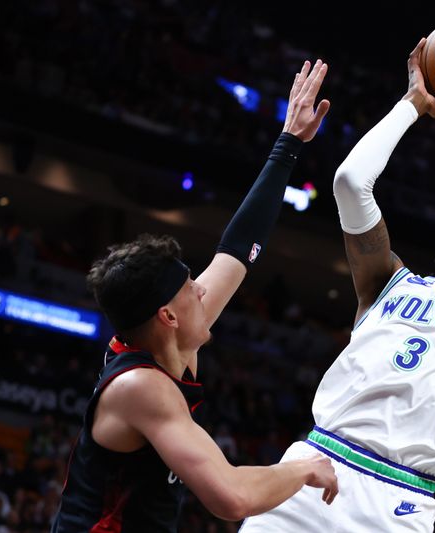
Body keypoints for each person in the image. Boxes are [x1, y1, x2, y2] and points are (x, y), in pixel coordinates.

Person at [242, 37, 435, 532]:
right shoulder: (387, 282)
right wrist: (413, 103)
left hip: (400, 499)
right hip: (312, 465)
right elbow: (350, 182)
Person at [52, 59, 338, 532]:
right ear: (167, 315)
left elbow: (238, 249)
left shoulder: (173, 337)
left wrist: (288, 144)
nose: (203, 287)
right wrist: (306, 466)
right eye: (190, 288)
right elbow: (231, 498)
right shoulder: (140, 387)